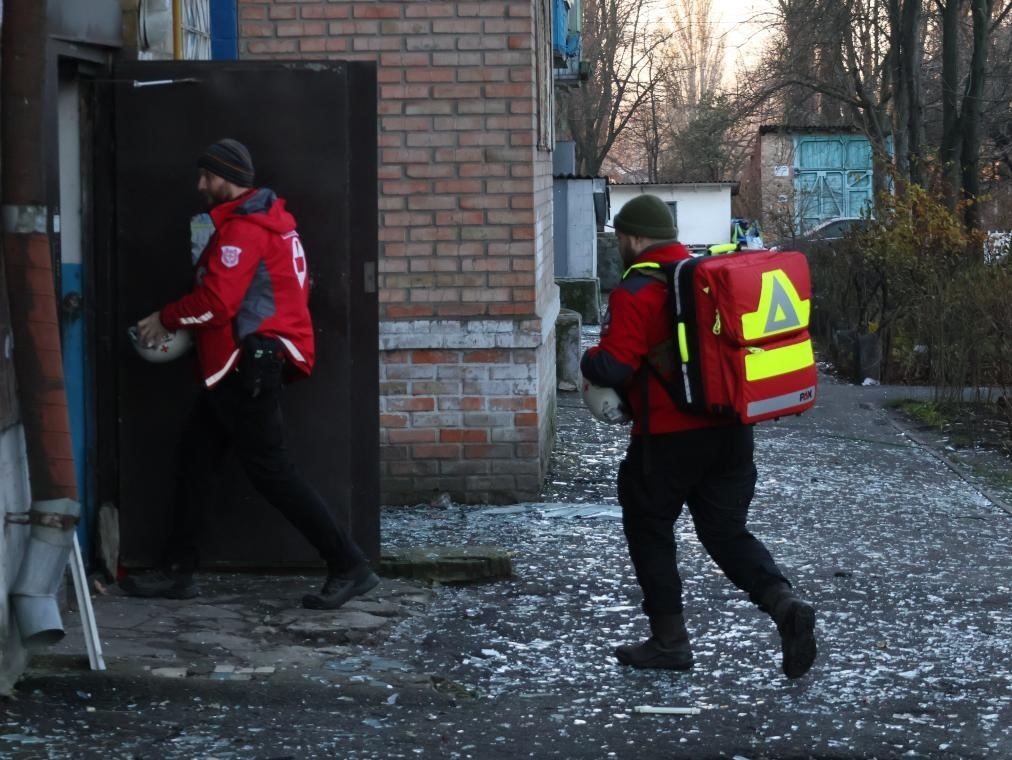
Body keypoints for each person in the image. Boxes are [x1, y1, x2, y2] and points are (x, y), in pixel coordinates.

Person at [122, 138, 378, 611]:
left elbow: (218, 305)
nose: (200, 184)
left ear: (229, 176)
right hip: (247, 364)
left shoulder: (245, 229)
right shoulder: (270, 222)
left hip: (248, 366)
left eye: (207, 175)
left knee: (273, 473)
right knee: (196, 460)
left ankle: (349, 564)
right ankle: (178, 570)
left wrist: (165, 317)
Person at [582, 195, 817, 679]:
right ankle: (783, 602)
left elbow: (613, 366)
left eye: (622, 237)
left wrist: (586, 359)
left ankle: (669, 642)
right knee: (725, 532)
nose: (620, 245)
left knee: (649, 529)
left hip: (669, 439)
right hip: (732, 431)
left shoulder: (636, 292)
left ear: (635, 239)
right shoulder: (705, 278)